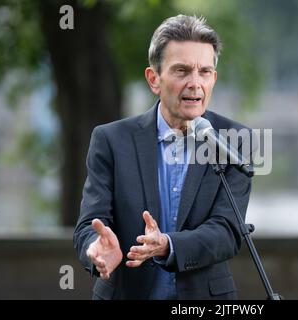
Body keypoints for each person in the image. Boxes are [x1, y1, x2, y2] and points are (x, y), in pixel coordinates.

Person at [73, 14, 253, 300]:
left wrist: (167, 245)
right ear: (153, 79)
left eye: (204, 72)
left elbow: (227, 232)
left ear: (213, 78)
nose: (195, 83)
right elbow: (89, 224)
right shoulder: (111, 140)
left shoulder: (234, 140)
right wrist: (95, 247)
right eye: (182, 71)